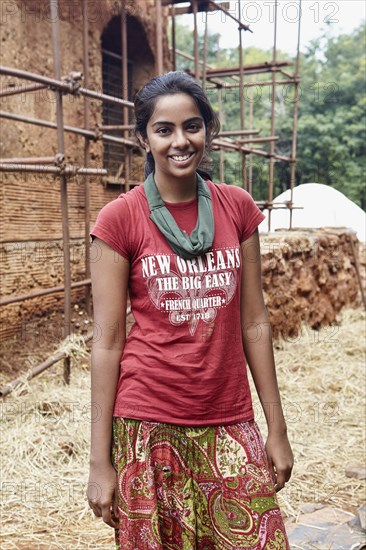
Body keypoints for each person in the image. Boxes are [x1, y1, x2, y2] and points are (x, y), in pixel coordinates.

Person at [87, 71, 293, 549]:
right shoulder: (119, 219)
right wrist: (100, 461)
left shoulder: (237, 208)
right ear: (144, 138)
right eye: (164, 130)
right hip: (147, 424)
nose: (180, 141)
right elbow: (107, 341)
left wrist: (275, 427)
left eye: (192, 126)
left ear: (209, 130)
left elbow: (254, 322)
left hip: (228, 417)